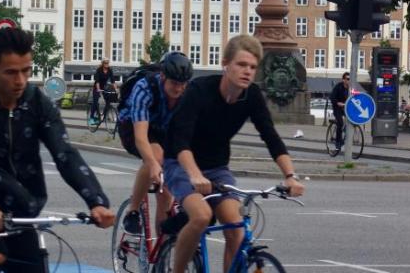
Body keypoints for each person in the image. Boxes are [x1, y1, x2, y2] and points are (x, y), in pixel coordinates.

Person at [0, 26, 114, 272]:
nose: (20, 80)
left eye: (26, 71)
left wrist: (95, 201)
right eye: (10, 72)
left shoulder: (36, 102)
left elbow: (65, 154)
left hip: (18, 201)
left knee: (31, 266)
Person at [163, 35, 305, 273]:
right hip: (181, 164)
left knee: (236, 226)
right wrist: (195, 175)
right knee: (200, 216)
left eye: (252, 67)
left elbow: (271, 137)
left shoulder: (252, 97)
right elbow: (180, 141)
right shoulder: (200, 90)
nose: (247, 71)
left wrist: (290, 175)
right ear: (226, 64)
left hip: (217, 169)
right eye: (241, 64)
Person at [116, 52, 192, 233]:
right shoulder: (145, 88)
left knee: (166, 196)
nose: (178, 89)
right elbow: (141, 137)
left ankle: (162, 254)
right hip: (133, 126)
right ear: (163, 76)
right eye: (174, 83)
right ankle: (132, 211)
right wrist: (152, 164)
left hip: (163, 129)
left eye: (182, 84)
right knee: (156, 156)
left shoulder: (186, 94)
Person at [89, 59, 116, 125]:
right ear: (103, 64)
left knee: (108, 101)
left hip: (104, 87)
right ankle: (91, 118)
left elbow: (113, 80)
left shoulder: (110, 70)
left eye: (108, 63)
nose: (107, 64)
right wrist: (98, 89)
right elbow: (97, 81)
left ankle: (103, 115)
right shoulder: (99, 70)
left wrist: (116, 89)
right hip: (97, 87)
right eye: (105, 63)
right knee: (95, 102)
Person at [329, 72, 351, 151]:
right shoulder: (338, 87)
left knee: (351, 120)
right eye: (348, 79)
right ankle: (338, 142)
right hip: (337, 108)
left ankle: (345, 132)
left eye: (350, 79)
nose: (349, 81)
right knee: (340, 123)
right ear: (343, 80)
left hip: (345, 108)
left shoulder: (350, 88)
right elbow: (332, 97)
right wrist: (338, 103)